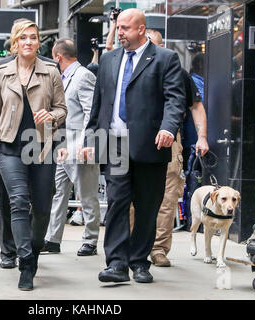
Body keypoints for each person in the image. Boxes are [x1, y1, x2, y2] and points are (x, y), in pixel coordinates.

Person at [79, 9, 185, 284]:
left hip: (150, 145)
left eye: (125, 27)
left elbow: (175, 99)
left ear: (141, 29)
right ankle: (116, 263)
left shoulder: (165, 59)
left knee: (147, 206)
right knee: (116, 203)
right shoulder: (109, 59)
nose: (120, 32)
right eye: (118, 27)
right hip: (114, 143)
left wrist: (168, 127)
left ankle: (139, 262)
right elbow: (98, 104)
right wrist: (92, 139)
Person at [0, 20, 67, 290]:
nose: (28, 42)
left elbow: (62, 109)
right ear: (15, 42)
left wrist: (51, 116)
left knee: (42, 208)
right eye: (23, 38)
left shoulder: (51, 71)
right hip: (9, 148)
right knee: (18, 202)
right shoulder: (1, 72)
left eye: (33, 37)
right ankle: (26, 261)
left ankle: (32, 246)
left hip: (41, 147)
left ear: (38, 41)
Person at [147, 29, 209, 267]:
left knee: (168, 194)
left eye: (157, 45)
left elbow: (196, 106)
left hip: (171, 139)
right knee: (132, 196)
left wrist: (202, 137)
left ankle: (159, 248)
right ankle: (134, 244)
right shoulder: (128, 67)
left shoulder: (178, 72)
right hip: (136, 137)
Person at [42, 38, 100, 256]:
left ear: (58, 56)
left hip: (79, 147)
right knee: (58, 193)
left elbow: (90, 113)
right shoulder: (64, 77)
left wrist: (85, 144)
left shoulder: (83, 76)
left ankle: (91, 241)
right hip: (62, 146)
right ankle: (53, 239)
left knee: (87, 195)